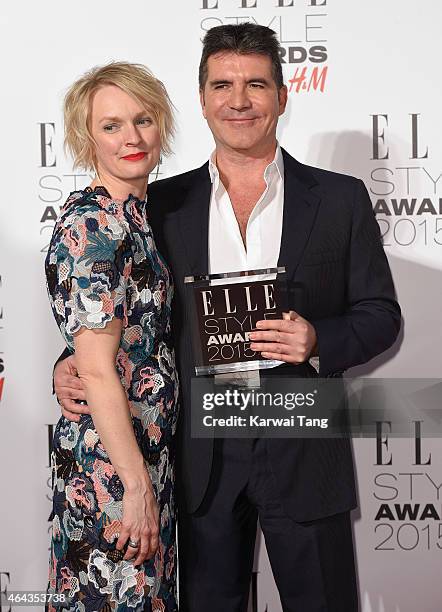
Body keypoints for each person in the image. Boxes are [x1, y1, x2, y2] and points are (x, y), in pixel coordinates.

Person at [54, 25, 401, 612]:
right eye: (223, 84)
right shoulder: (157, 204)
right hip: (200, 456)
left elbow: (381, 316)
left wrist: (317, 338)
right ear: (202, 99)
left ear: (282, 97)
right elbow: (120, 309)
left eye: (255, 84)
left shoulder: (340, 199)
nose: (238, 100)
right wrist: (69, 363)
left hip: (303, 443)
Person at [46, 62, 178, 610]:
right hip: (112, 470)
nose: (132, 137)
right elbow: (97, 368)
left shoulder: (139, 217)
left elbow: (120, 338)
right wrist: (137, 488)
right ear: (85, 137)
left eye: (143, 120)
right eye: (111, 125)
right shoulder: (94, 226)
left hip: (146, 456)